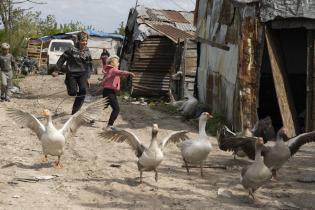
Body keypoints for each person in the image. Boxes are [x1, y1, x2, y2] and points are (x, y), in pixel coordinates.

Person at [52, 31, 92, 115]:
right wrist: (56, 70)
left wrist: (87, 77)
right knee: (72, 93)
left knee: (83, 91)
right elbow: (62, 59)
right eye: (82, 41)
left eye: (86, 41)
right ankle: (68, 83)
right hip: (71, 73)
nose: (84, 42)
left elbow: (89, 65)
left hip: (82, 74)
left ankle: (75, 111)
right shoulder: (71, 50)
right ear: (78, 40)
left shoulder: (87, 51)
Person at [102, 55, 135, 130]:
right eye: (117, 62)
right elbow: (121, 72)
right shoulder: (113, 70)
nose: (119, 63)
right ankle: (110, 125)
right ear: (112, 63)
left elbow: (119, 74)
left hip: (107, 91)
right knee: (116, 109)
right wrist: (129, 73)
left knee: (103, 106)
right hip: (109, 92)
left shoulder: (109, 70)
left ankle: (92, 116)